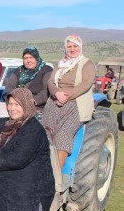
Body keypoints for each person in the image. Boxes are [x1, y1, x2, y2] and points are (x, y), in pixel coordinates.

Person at [41, 34, 96, 169]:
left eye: (75, 46)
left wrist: (66, 96)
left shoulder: (87, 64)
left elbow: (85, 85)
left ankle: (56, 175)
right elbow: (51, 81)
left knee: (63, 134)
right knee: (46, 132)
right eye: (69, 46)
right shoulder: (60, 64)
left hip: (76, 104)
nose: (72, 49)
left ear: (80, 47)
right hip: (55, 102)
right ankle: (42, 168)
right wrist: (56, 93)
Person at [4, 47, 52, 112]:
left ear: (37, 58)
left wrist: (32, 101)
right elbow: (9, 87)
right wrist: (15, 101)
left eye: (31, 57)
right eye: (25, 58)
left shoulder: (46, 70)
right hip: (18, 105)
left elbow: (46, 91)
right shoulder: (19, 71)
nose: (28, 61)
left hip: (38, 107)